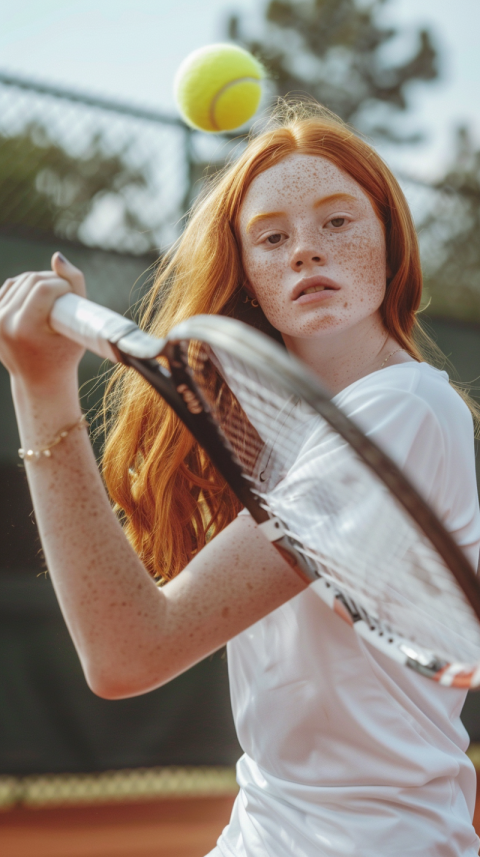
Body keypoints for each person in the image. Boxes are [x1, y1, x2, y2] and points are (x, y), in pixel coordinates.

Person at [0, 101, 479, 856]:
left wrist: (39, 387)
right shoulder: (286, 438)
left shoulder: (407, 407)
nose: (304, 251)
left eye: (338, 222)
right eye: (272, 236)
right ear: (251, 277)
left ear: (392, 244)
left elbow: (129, 650)